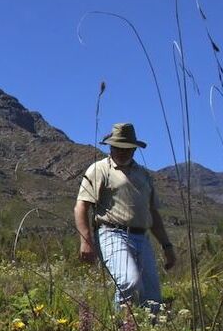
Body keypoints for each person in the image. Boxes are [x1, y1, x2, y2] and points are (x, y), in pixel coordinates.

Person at [74, 123, 176, 311]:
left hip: (142, 238)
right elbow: (81, 206)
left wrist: (167, 246)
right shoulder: (99, 169)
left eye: (126, 148)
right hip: (112, 234)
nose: (121, 152)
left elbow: (153, 213)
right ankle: (122, 330)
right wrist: (86, 241)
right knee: (129, 282)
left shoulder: (144, 175)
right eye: (117, 147)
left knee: (152, 296)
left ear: (134, 149)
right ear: (110, 147)